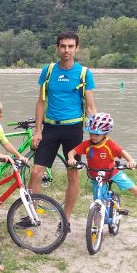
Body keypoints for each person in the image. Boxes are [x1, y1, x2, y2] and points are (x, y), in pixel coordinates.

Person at [27, 31, 96, 231]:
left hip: (74, 130)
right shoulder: (48, 71)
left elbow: (91, 107)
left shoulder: (84, 73)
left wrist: (98, 136)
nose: (66, 50)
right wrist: (38, 131)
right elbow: (41, 102)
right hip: (50, 128)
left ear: (77, 48)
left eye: (70, 46)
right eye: (63, 46)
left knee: (73, 174)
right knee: (37, 172)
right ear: (57, 48)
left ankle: (65, 219)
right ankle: (33, 214)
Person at [66, 113, 137, 219]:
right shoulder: (87, 144)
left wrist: (131, 161)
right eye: (91, 133)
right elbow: (72, 152)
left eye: (97, 134)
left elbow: (122, 152)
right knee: (97, 202)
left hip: (112, 172)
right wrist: (71, 158)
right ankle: (95, 230)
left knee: (133, 188)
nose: (93, 137)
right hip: (96, 176)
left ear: (105, 134)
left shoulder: (110, 144)